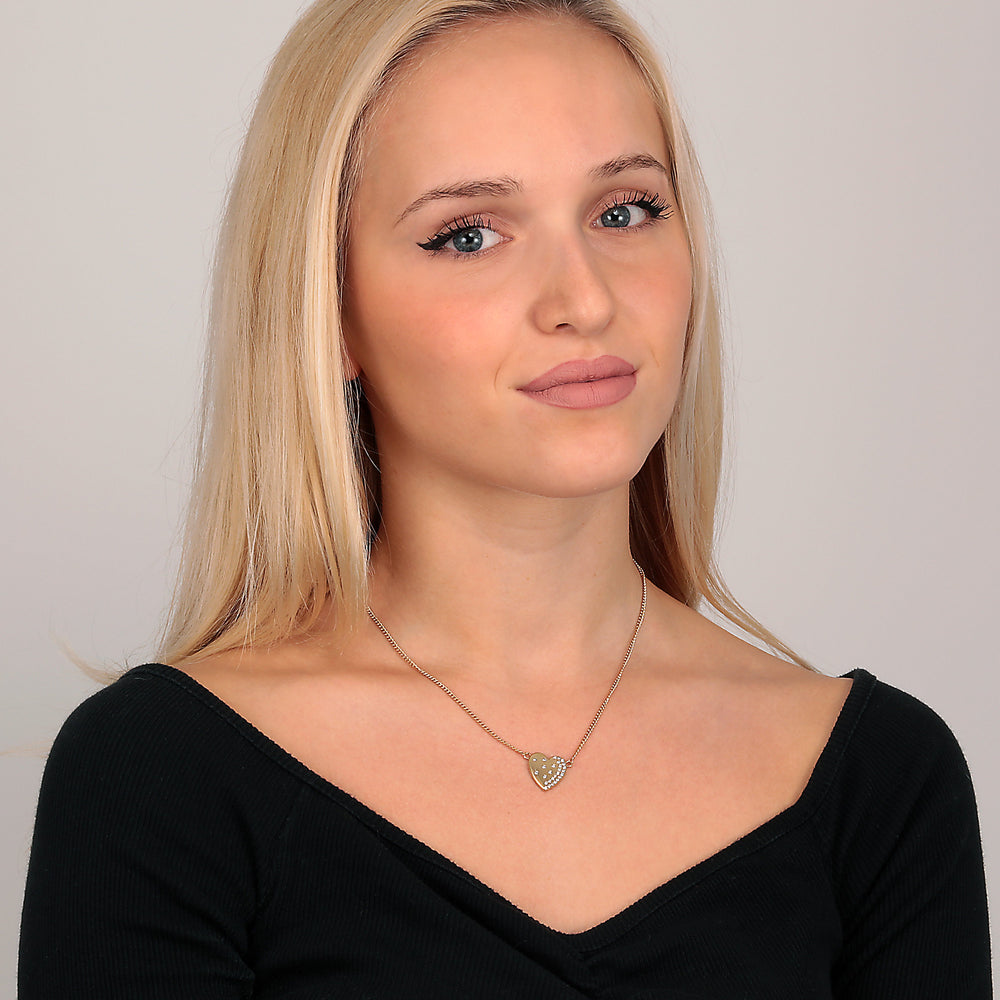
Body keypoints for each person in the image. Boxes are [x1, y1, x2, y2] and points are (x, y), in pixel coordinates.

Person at [18, 0, 991, 995]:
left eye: (624, 212)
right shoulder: (158, 776)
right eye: (469, 234)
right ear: (330, 308)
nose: (585, 300)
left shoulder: (879, 779)